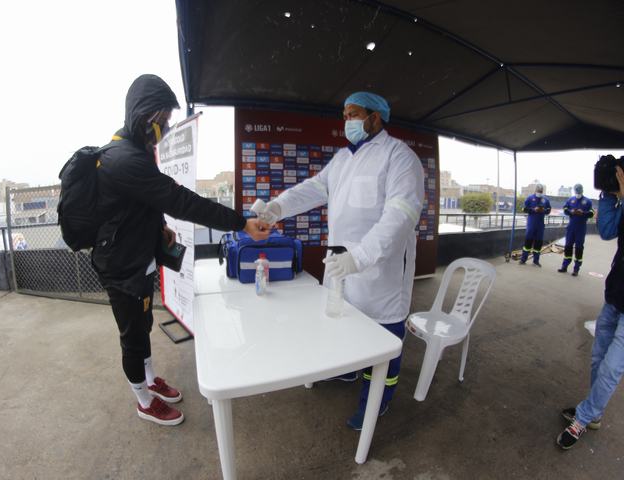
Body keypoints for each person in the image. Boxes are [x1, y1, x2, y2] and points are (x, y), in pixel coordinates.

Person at [92, 74, 269, 426]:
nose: (165, 128)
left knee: (143, 324)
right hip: (121, 267)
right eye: (162, 119)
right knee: (132, 336)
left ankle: (149, 378)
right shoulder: (123, 159)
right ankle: (144, 401)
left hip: (139, 258)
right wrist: (241, 223)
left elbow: (142, 203)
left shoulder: (136, 151)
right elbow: (181, 200)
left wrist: (160, 227)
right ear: (144, 115)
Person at [258, 91, 425, 430]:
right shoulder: (343, 159)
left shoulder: (399, 156)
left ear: (375, 117)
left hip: (380, 271)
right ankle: (348, 372)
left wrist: (360, 257)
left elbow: (401, 214)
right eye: (345, 115)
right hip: (341, 265)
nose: (347, 120)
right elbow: (312, 189)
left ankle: (377, 400)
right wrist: (277, 208)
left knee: (383, 340)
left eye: (354, 114)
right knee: (344, 322)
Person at [557, 166, 624, 449]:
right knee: (598, 359)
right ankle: (593, 414)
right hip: (616, 296)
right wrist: (609, 195)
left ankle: (582, 419)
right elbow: (607, 231)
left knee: (611, 369)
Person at [557, 184, 594, 276]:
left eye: (579, 192)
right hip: (571, 227)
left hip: (581, 228)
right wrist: (571, 211)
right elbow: (565, 209)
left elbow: (592, 213)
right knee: (568, 246)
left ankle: (576, 269)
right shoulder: (570, 200)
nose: (578, 193)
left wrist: (583, 213)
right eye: (576, 192)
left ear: (582, 191)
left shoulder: (588, 201)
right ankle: (564, 266)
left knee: (579, 248)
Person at [518, 184, 551, 266]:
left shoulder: (545, 200)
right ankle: (523, 260)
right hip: (531, 225)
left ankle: (536, 261)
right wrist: (533, 210)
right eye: (538, 191)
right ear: (535, 190)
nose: (539, 192)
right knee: (528, 243)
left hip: (540, 225)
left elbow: (549, 210)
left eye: (541, 191)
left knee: (538, 243)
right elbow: (524, 209)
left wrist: (543, 210)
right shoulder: (530, 198)